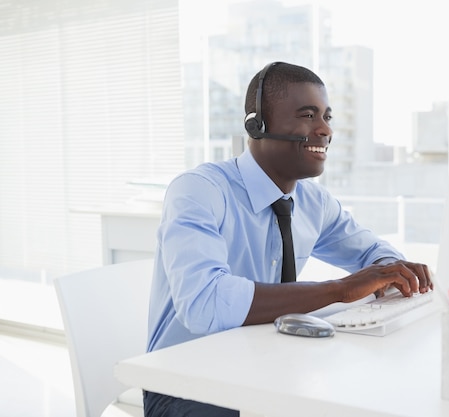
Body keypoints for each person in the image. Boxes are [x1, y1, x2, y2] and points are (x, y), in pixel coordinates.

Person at [143, 61, 433, 417]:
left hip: (267, 371)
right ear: (258, 125)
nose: (325, 129)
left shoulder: (313, 202)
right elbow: (205, 304)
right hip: (185, 387)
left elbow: (374, 253)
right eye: (308, 115)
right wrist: (341, 289)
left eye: (327, 116)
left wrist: (391, 270)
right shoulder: (200, 191)